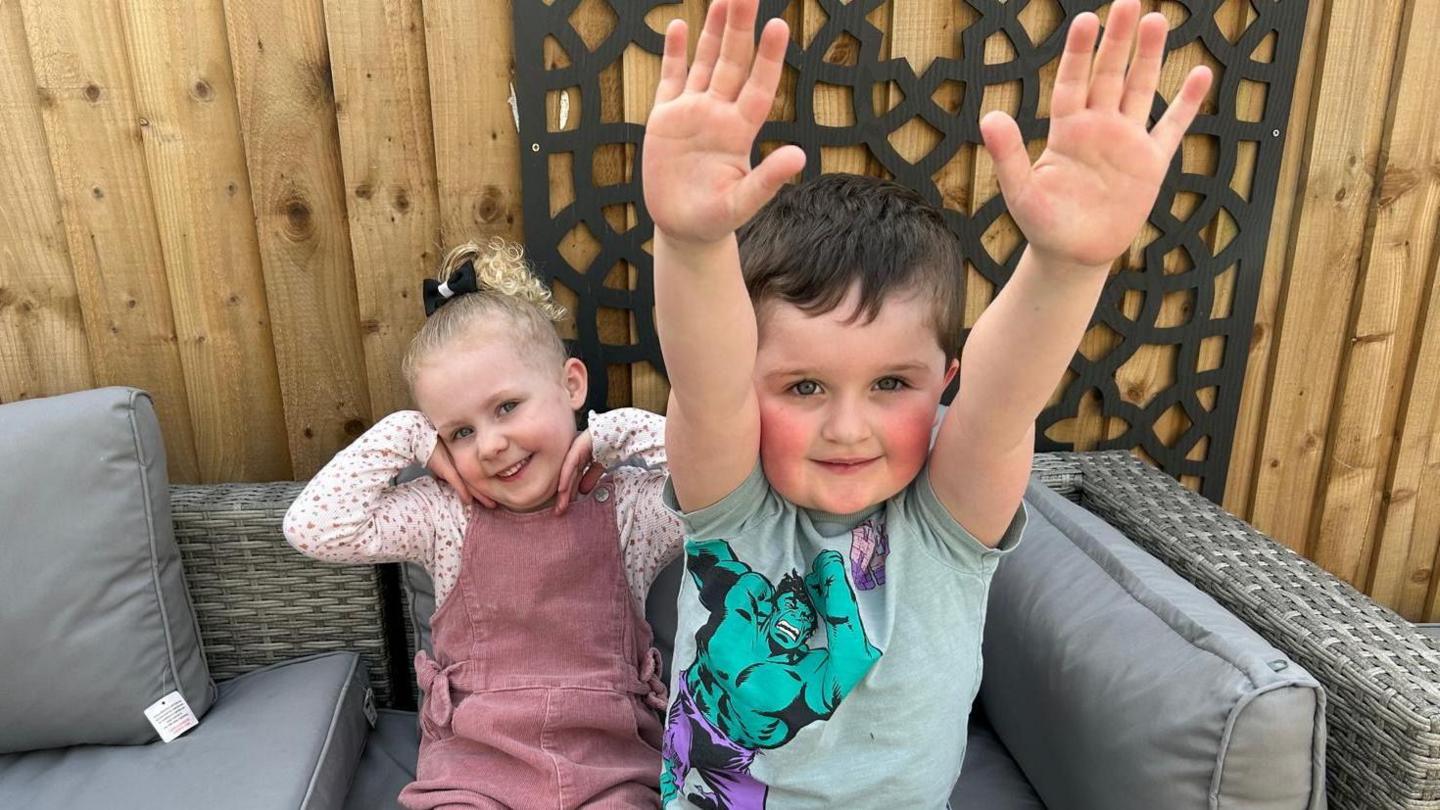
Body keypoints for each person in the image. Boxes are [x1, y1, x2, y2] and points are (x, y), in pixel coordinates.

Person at [640, 0, 1212, 806]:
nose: (847, 427)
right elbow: (705, 381)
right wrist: (690, 245)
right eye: (804, 387)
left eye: (890, 384)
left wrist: (1069, 266)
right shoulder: (735, 513)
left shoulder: (946, 526)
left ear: (943, 380)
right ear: (752, 383)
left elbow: (1003, 402)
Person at [283, 237, 683, 809]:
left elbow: (723, 497)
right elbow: (313, 527)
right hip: (472, 775)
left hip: (611, 771)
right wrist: (408, 435)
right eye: (461, 432)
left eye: (507, 408)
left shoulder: (630, 509)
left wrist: (618, 432)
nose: (492, 445)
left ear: (571, 384)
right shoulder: (443, 514)